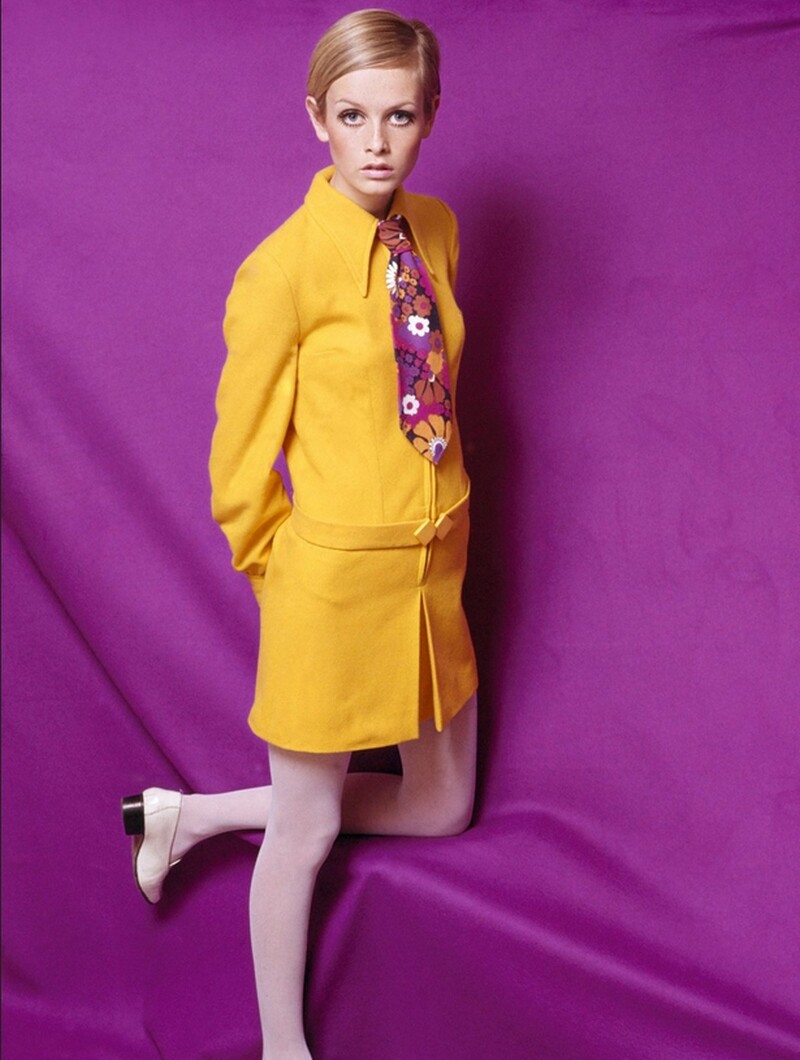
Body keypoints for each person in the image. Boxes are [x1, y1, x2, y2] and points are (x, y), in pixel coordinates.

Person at [122, 10, 479, 1058]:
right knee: (308, 824)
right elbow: (238, 469)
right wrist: (286, 579)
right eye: (352, 116)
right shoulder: (278, 271)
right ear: (317, 118)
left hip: (433, 574)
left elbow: (424, 393)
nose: (377, 142)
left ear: (430, 116)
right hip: (329, 583)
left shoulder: (437, 229)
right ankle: (284, 1049)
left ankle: (188, 817)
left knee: (444, 805)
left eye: (399, 115)